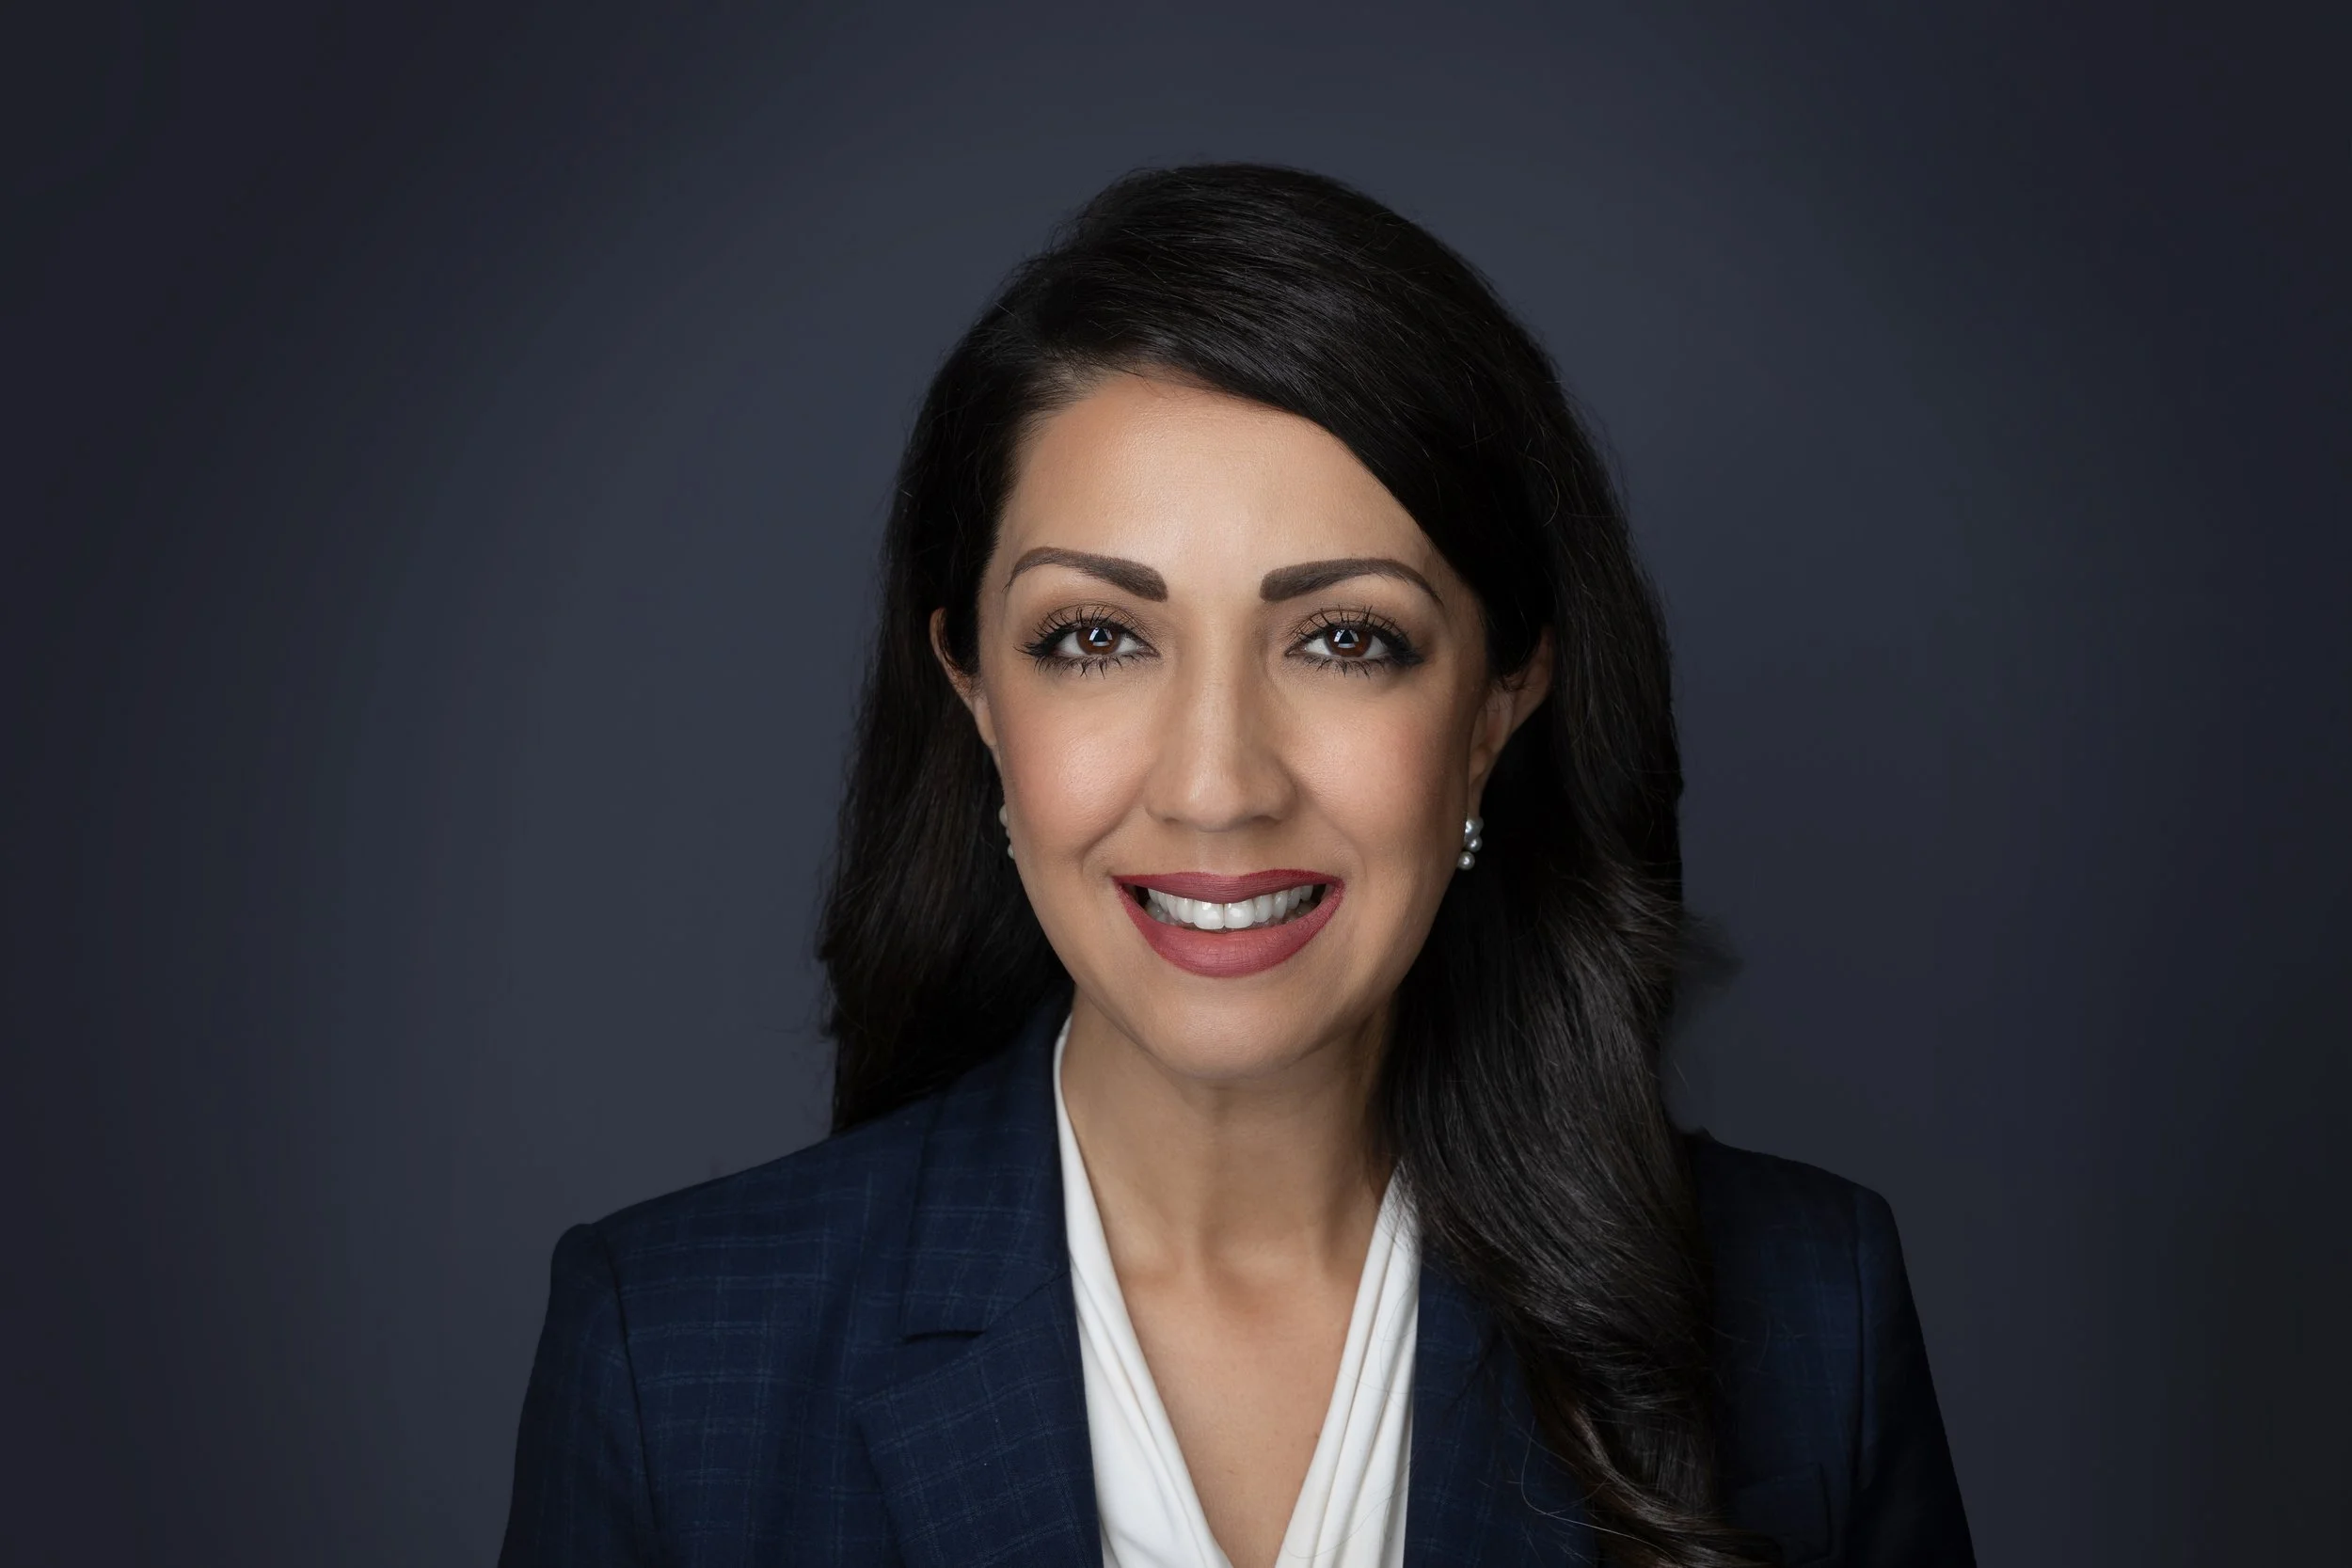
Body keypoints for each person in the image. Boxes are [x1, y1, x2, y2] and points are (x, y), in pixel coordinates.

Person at [498, 164, 1973, 1568]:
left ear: (1499, 704)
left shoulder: (1804, 1318)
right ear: (976, 695)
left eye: (1346, 640)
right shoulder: (673, 1356)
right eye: (1096, 637)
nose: (1216, 787)